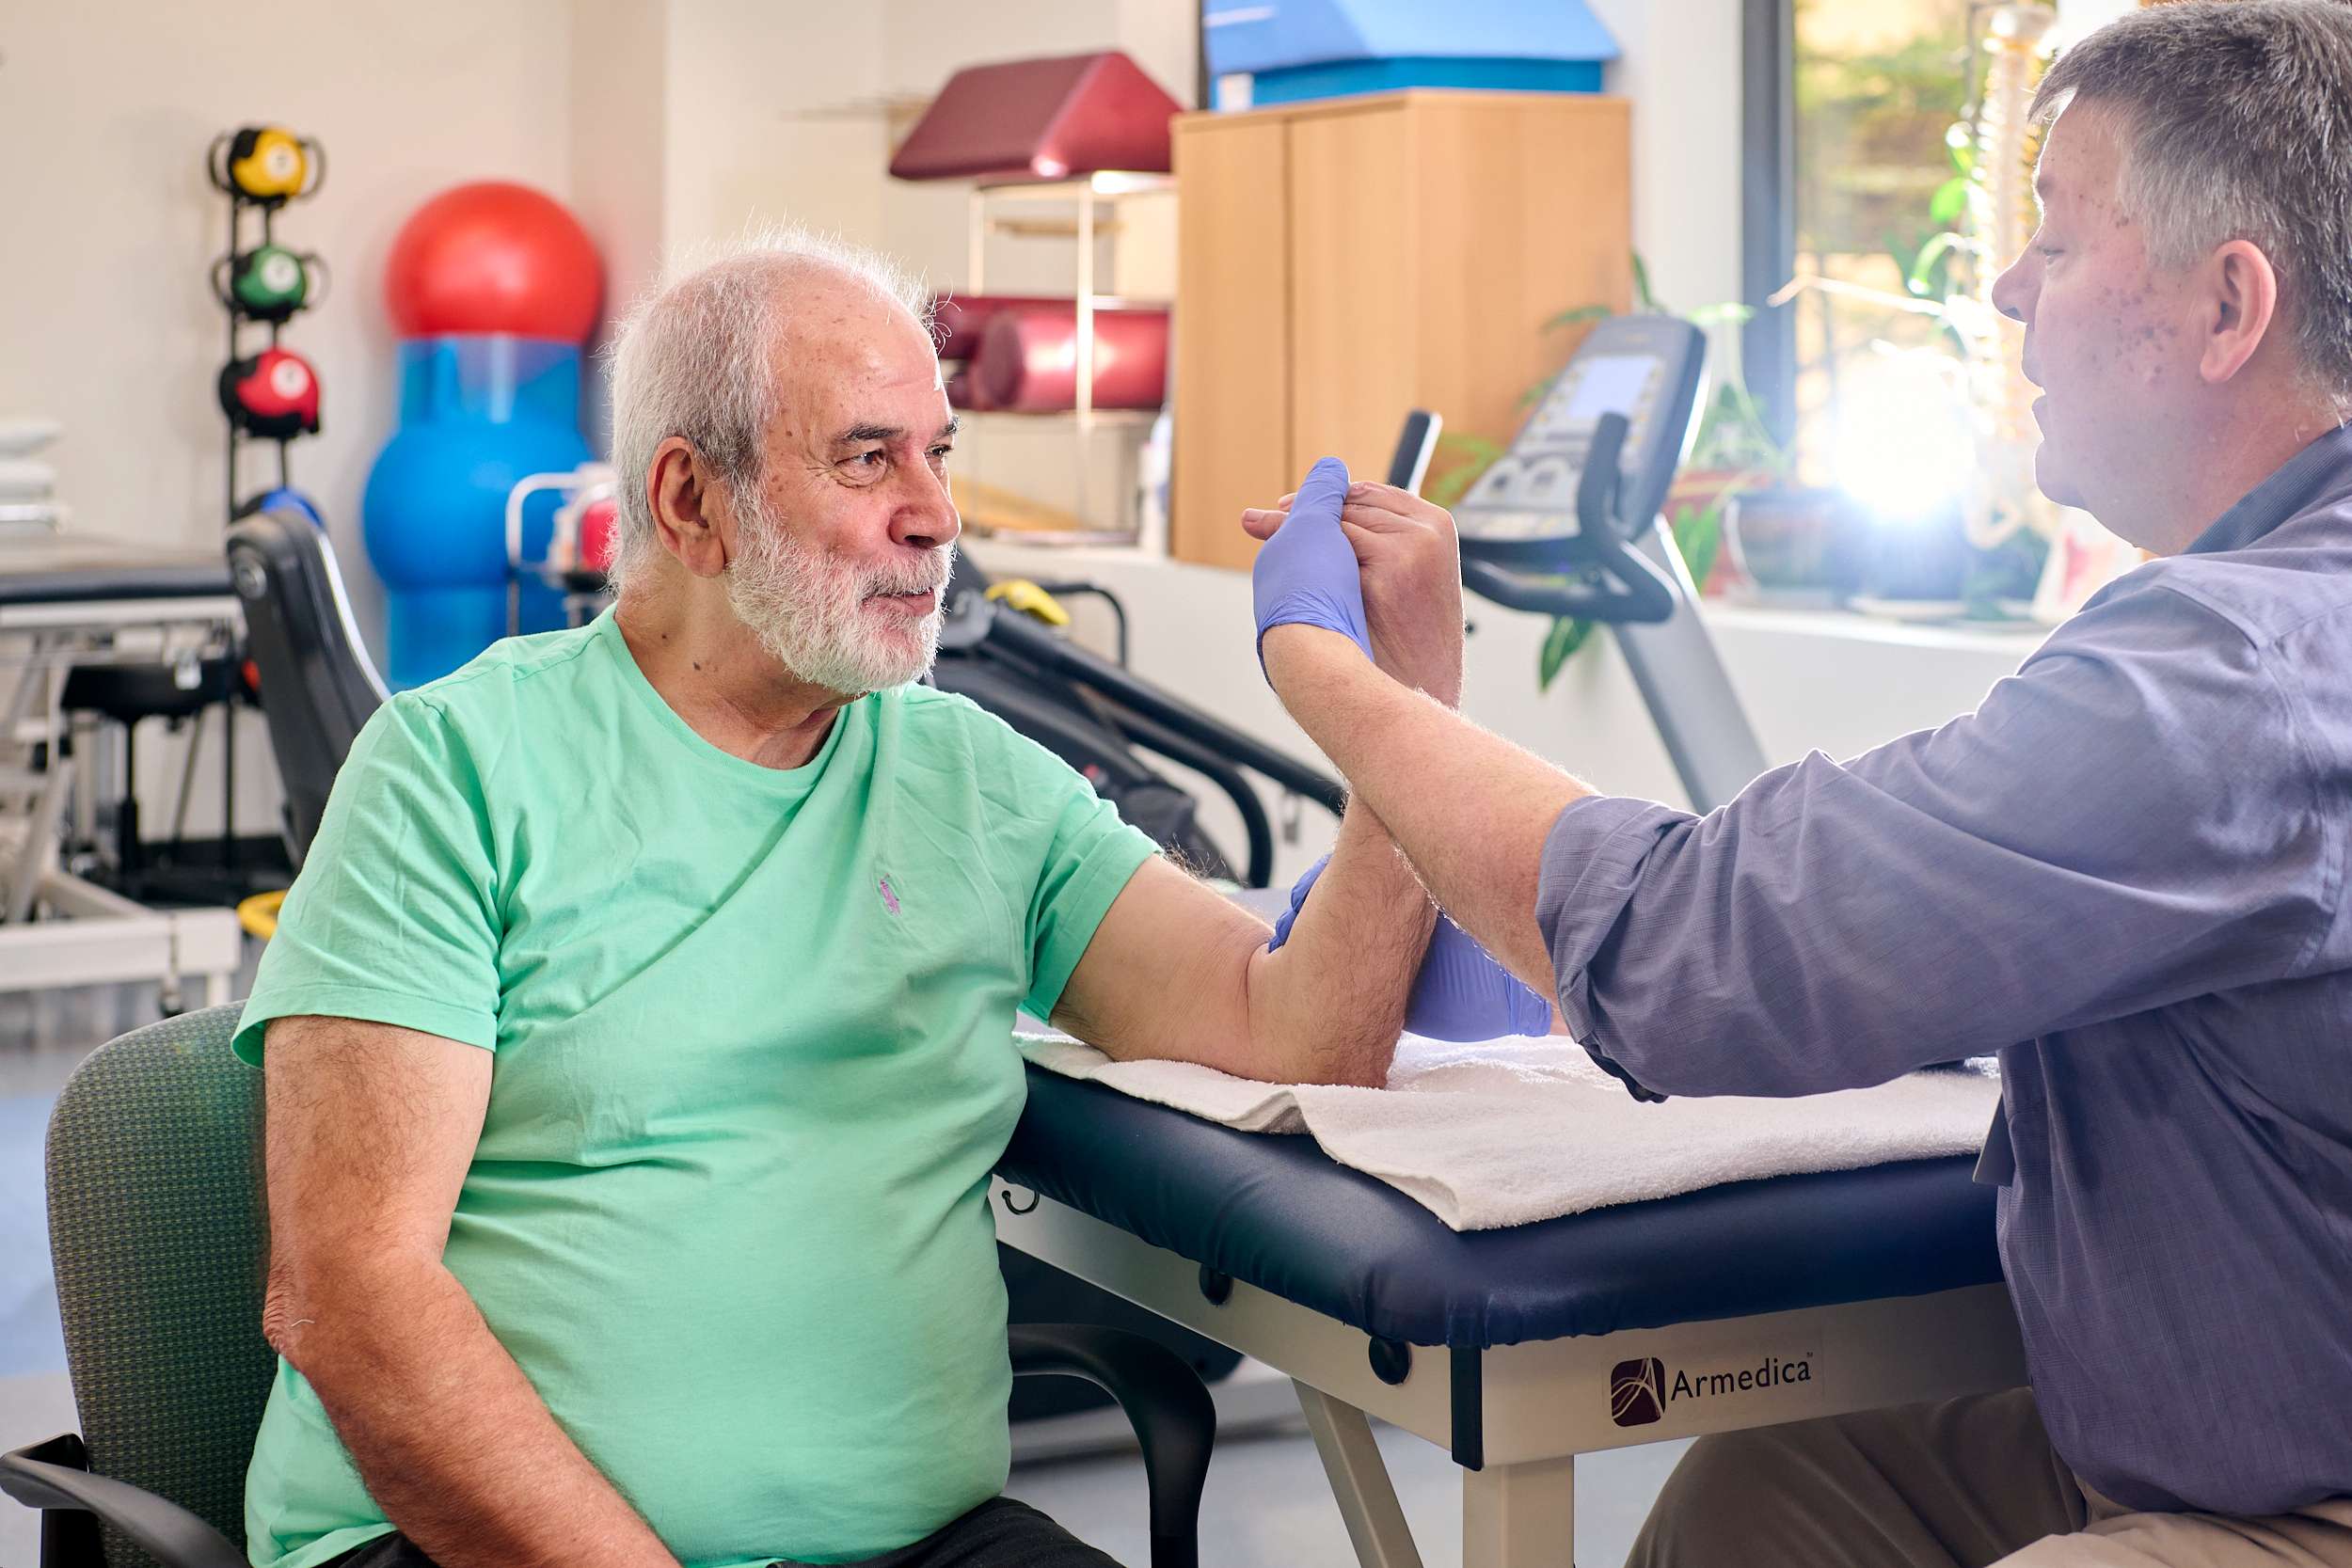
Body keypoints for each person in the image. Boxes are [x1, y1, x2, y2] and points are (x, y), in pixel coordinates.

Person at [1245, 3, 2352, 1564]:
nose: (2008, 285)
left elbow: (1713, 949)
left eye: (2056, 234)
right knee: (1774, 1501)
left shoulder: (2236, 667)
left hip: (2302, 1508)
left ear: (2232, 304)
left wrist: (1337, 680)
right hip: (2224, 1415)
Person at [233, 231, 1453, 1568]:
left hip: (929, 1547)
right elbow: (349, 1296)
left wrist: (1403, 709)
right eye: (868, 459)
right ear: (693, 506)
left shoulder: (970, 776)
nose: (934, 513)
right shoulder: (454, 770)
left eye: (940, 454)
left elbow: (1300, 1034)